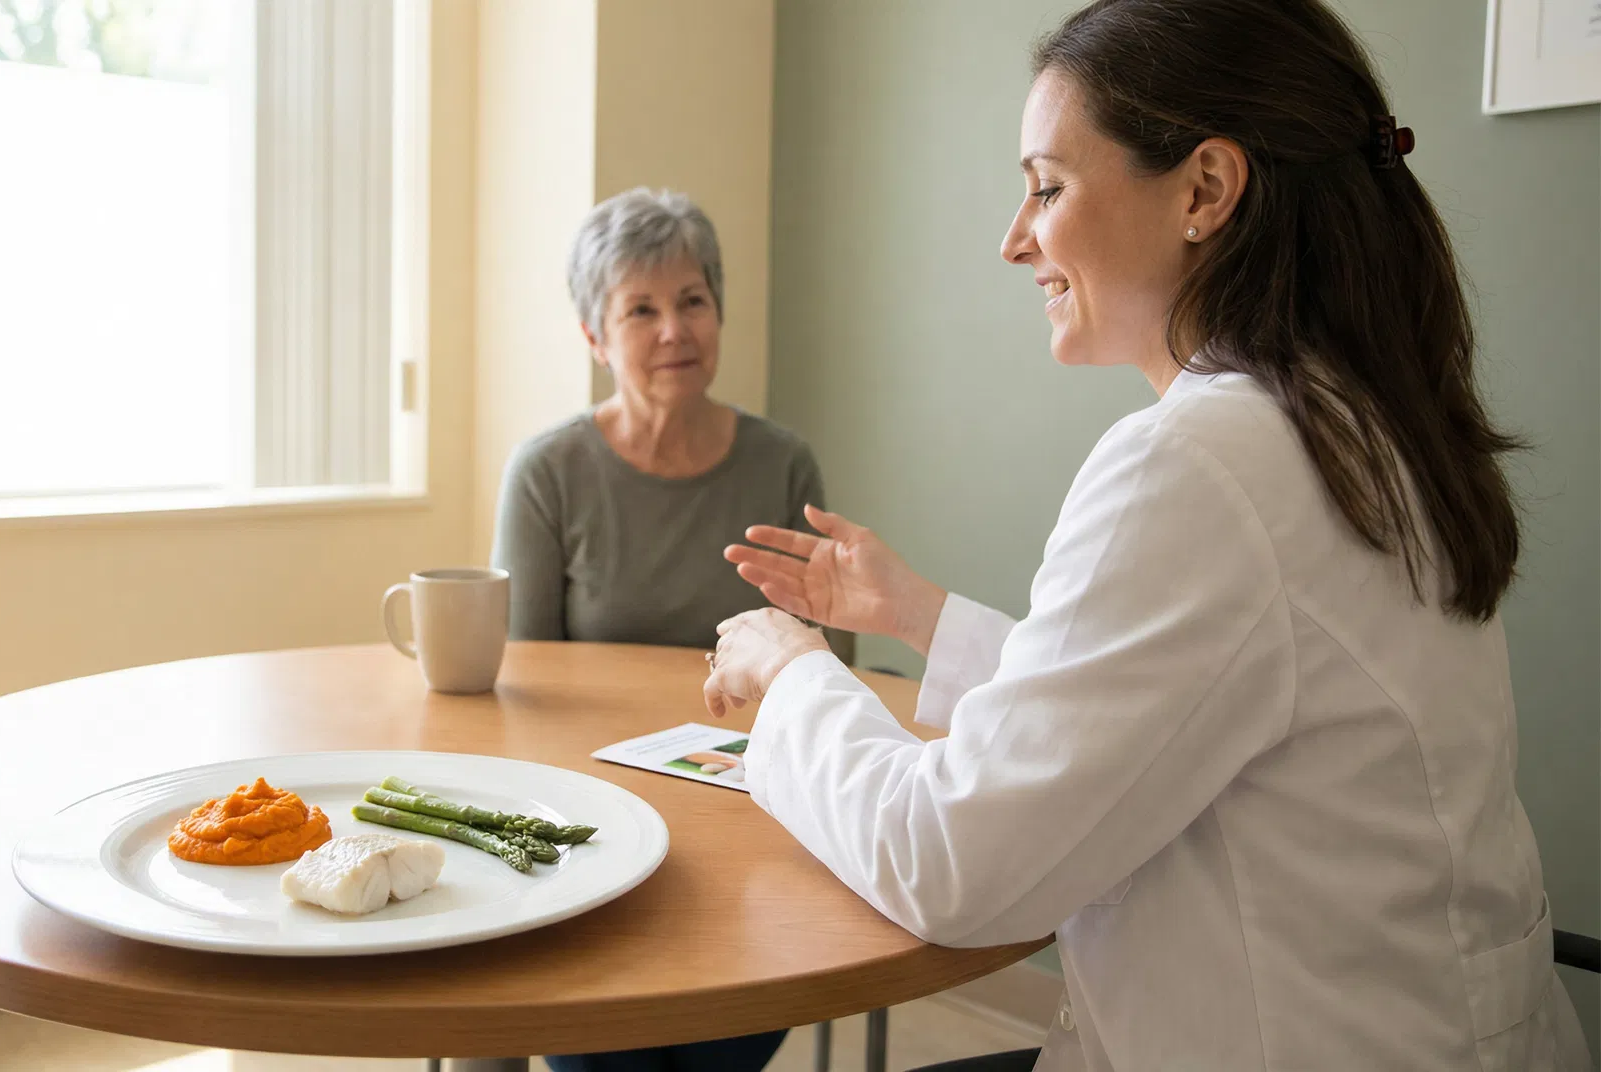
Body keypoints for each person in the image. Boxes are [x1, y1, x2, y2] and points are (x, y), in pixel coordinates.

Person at [702, 2, 1593, 1070]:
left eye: (1047, 184)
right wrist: (918, 615)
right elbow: (1184, 705)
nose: (1014, 235)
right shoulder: (1358, 415)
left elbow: (955, 866)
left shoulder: (1202, 461)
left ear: (1206, 191)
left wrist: (793, 672)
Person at [490, 186, 850, 1072]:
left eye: (692, 301)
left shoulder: (782, 462)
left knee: (724, 1041)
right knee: (604, 1048)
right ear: (594, 336)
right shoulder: (549, 472)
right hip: (590, 817)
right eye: (640, 309)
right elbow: (520, 686)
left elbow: (829, 666)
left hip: (748, 814)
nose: (673, 332)